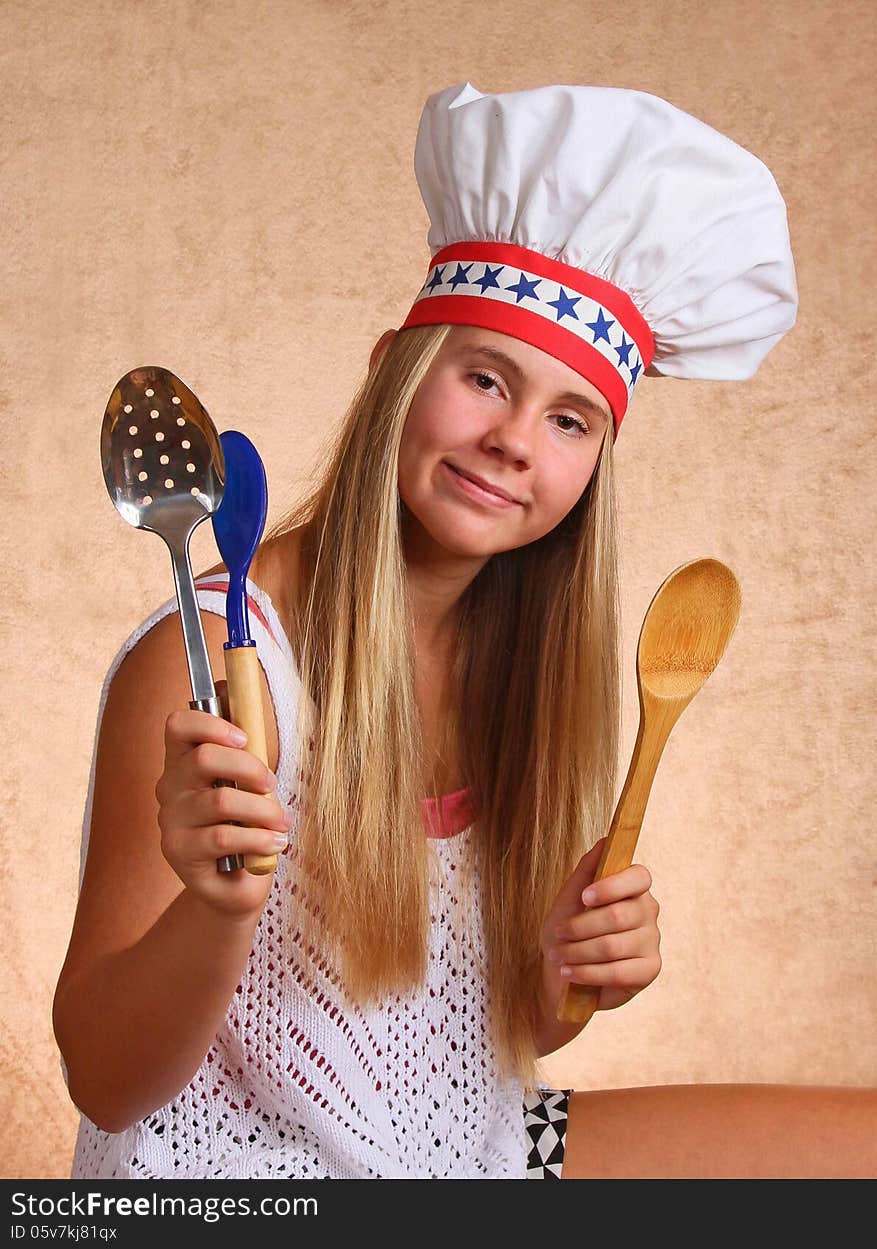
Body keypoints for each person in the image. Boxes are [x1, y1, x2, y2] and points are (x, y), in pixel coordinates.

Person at [54, 81, 819, 1180]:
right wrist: (220, 912)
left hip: (466, 1148)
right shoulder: (215, 663)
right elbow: (106, 1079)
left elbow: (471, 1037)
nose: (513, 440)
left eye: (568, 419)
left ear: (594, 465)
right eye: (483, 378)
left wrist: (560, 978)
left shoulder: (526, 670)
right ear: (391, 375)